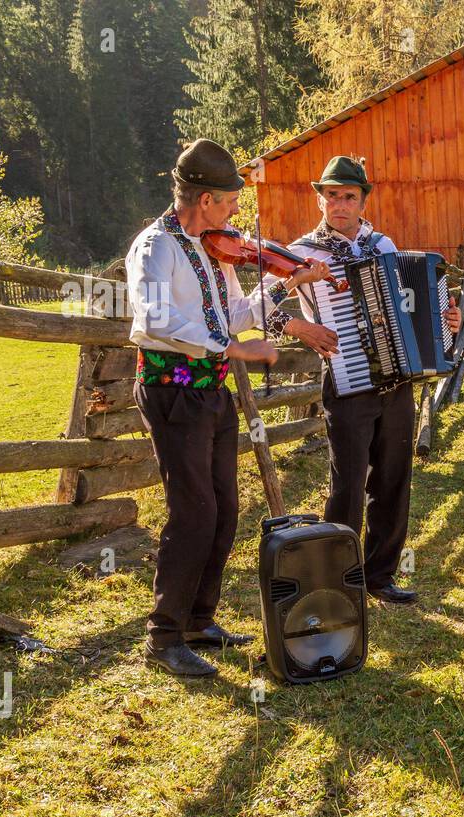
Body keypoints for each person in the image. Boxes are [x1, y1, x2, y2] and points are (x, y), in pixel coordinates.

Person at [127, 139, 335, 677]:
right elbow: (154, 322)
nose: (236, 212)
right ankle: (163, 635)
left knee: (224, 508)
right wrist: (234, 348)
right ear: (203, 199)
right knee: (193, 511)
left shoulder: (214, 248)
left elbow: (237, 311)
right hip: (172, 391)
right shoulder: (155, 248)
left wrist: (287, 281)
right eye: (229, 200)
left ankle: (199, 619)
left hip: (212, 392)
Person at [284, 156, 460, 605]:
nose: (338, 204)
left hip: (395, 381)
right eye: (331, 195)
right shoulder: (304, 251)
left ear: (363, 200)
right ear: (319, 198)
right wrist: (301, 328)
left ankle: (379, 576)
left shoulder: (383, 246)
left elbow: (410, 305)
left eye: (348, 196)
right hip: (346, 381)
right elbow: (260, 304)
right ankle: (336, 583)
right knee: (346, 484)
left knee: (394, 479)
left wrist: (445, 321)